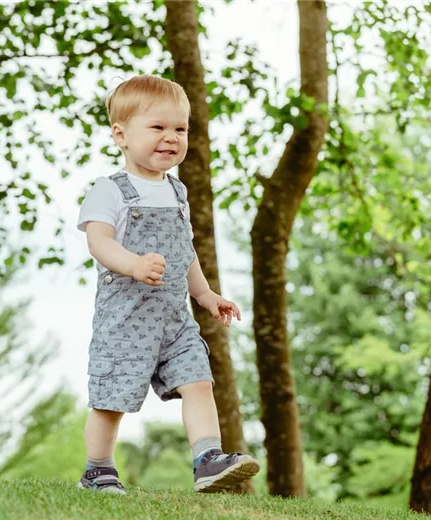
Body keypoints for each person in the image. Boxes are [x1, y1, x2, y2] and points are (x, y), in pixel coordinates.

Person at [76, 75, 259, 494]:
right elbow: (98, 241)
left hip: (175, 320)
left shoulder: (178, 191)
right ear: (121, 135)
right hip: (126, 319)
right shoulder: (110, 190)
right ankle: (98, 469)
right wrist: (133, 264)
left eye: (180, 129)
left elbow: (184, 250)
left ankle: (207, 458)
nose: (171, 138)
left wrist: (206, 294)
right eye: (158, 127)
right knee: (111, 400)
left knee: (198, 380)